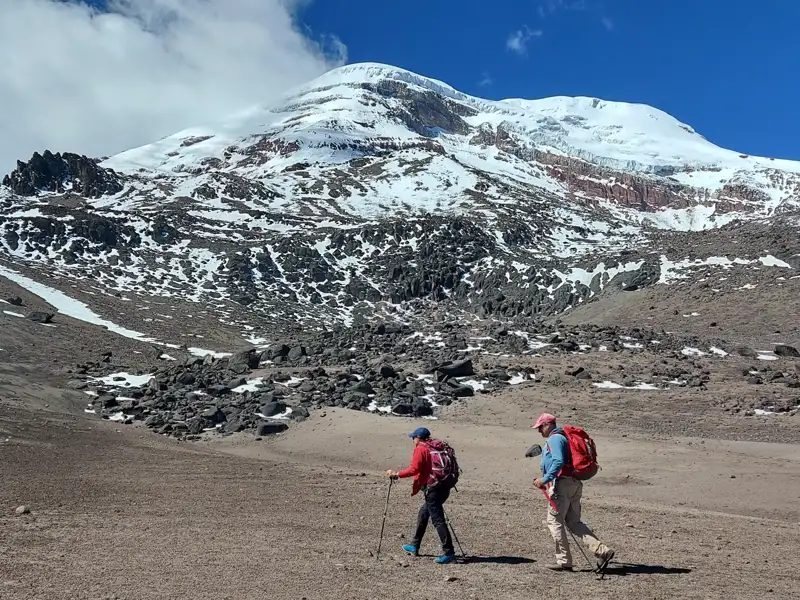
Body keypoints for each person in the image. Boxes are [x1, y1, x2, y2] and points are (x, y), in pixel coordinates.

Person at [532, 413, 615, 572]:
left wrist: (545, 479)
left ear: (548, 425)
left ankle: (564, 561)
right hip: (574, 483)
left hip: (562, 484)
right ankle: (602, 551)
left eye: (540, 427)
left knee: (554, 521)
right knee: (574, 522)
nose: (539, 431)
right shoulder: (564, 438)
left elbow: (558, 461)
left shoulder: (555, 439)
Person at [386, 427, 456, 564]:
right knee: (424, 514)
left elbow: (414, 469)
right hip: (444, 486)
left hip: (433, 488)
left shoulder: (421, 448)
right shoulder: (437, 447)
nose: (413, 440)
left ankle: (449, 552)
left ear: (418, 437)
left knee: (438, 520)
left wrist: (397, 474)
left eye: (413, 437)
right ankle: (414, 545)